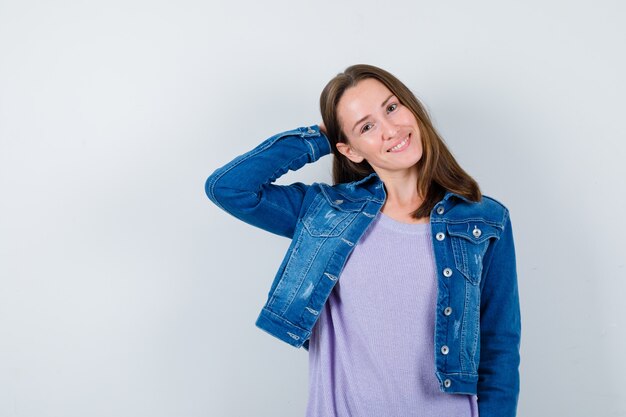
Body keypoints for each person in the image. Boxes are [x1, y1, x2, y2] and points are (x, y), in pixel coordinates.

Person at [205, 64, 520, 417]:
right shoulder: (326, 212)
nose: (390, 130)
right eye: (366, 127)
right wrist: (322, 137)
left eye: (392, 108)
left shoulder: (484, 220)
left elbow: (499, 347)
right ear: (350, 150)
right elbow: (229, 188)